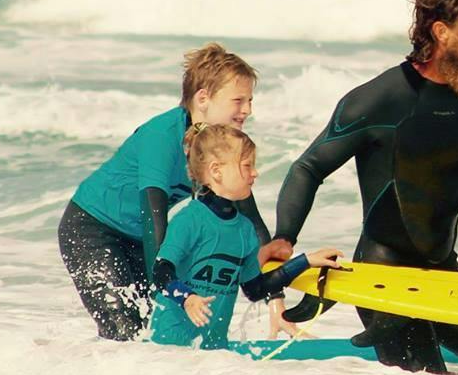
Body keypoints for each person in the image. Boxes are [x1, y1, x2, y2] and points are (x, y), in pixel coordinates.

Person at [272, 0, 458, 374]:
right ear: (443, 32)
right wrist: (285, 237)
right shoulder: (380, 99)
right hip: (382, 280)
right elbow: (309, 167)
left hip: (442, 273)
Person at [58, 44, 293, 340]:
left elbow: (252, 225)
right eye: (238, 100)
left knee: (151, 333)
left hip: (139, 238)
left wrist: (276, 301)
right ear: (203, 98)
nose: (247, 110)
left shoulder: (219, 145)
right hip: (92, 230)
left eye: (249, 100)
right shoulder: (162, 136)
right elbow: (154, 218)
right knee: (126, 332)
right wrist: (173, 288)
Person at [146, 124, 343, 348]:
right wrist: (187, 299)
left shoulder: (245, 229)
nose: (255, 173)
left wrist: (306, 261)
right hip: (167, 351)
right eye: (247, 165)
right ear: (216, 171)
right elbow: (161, 272)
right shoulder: (189, 220)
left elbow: (256, 289)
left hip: (213, 353)